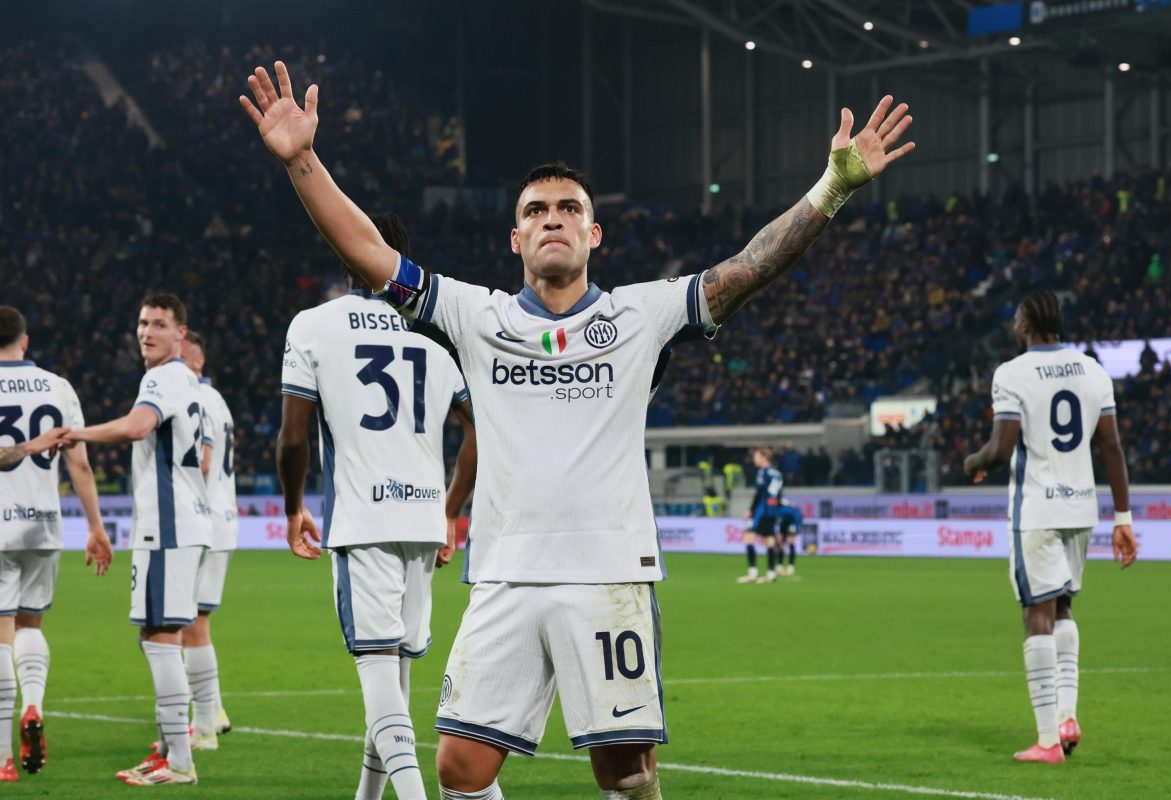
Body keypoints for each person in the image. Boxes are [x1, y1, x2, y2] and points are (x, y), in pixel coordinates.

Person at [241, 59, 913, 798]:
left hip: (609, 572)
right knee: (459, 766)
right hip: (504, 573)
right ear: (515, 238)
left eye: (567, 208)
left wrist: (832, 188)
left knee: (624, 773)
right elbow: (370, 254)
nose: (552, 218)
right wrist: (302, 160)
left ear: (594, 232)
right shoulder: (476, 316)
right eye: (535, 210)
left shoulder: (640, 314)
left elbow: (749, 267)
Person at [276, 213, 477, 800]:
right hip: (423, 519)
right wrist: (451, 510)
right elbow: (481, 431)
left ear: (346, 254)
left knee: (377, 669)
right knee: (396, 672)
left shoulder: (313, 325)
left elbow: (293, 438)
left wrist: (293, 507)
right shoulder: (433, 337)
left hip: (364, 517)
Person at [964, 290, 1137, 764]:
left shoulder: (1012, 373)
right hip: (1081, 508)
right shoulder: (1093, 371)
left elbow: (1001, 449)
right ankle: (1066, 717)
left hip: (1038, 508)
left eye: (1016, 318)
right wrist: (1123, 518)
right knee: (1063, 607)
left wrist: (974, 461)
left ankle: (1047, 742)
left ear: (1025, 324)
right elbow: (1111, 447)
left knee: (1036, 613)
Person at [64, 294, 212, 786]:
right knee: (155, 634)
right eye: (143, 322)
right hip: (183, 525)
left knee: (161, 638)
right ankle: (168, 750)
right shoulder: (188, 381)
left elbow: (137, 426)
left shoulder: (162, 378)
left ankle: (179, 763)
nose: (147, 332)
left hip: (167, 529)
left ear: (180, 334)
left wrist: (78, 433)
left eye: (159, 324)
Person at [0, 306, 112, 782]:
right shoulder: (59, 387)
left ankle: (3, 758)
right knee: (30, 624)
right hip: (44, 526)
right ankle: (34, 704)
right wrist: (96, 527)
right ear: (25, 341)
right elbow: (79, 464)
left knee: (1, 634)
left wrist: (24, 448)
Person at [178, 331, 236, 748]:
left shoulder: (195, 397)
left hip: (202, 522)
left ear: (198, 362)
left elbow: (201, 461)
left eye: (181, 357)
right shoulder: (218, 399)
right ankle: (213, 709)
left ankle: (204, 720)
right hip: (222, 519)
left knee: (187, 625)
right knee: (195, 623)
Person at [738, 448, 784, 584]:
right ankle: (771, 574)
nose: (754, 459)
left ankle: (752, 572)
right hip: (772, 510)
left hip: (762, 510)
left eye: (756, 456)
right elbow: (779, 495)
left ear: (764, 457)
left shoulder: (763, 472)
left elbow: (759, 493)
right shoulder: (777, 473)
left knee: (748, 538)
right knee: (769, 540)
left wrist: (751, 510)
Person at [776, 500, 804, 576]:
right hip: (790, 524)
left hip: (787, 524)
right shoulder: (793, 510)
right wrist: (798, 527)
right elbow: (799, 517)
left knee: (781, 544)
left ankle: (780, 566)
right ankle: (790, 566)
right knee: (790, 544)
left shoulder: (780, 509)